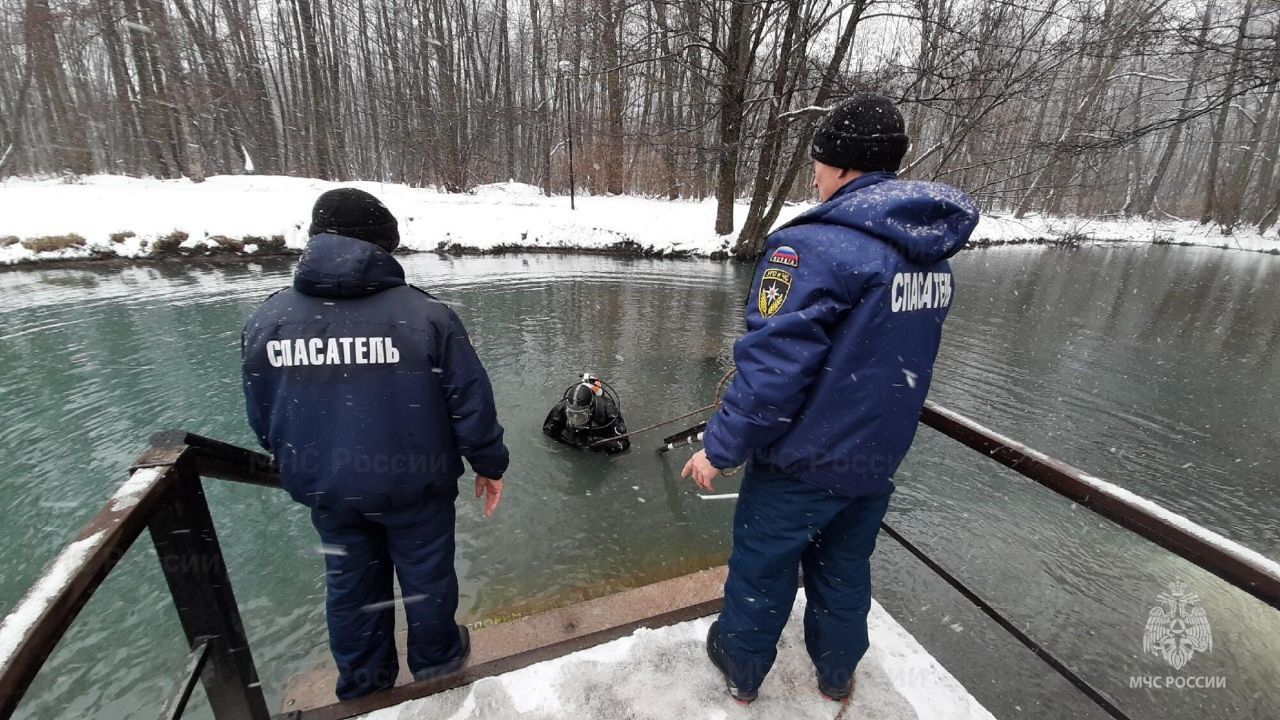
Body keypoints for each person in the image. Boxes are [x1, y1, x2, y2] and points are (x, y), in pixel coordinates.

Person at [682, 94, 979, 704]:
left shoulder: (814, 248)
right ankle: (837, 674)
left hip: (804, 463)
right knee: (843, 573)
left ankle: (741, 671)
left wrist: (720, 448)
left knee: (762, 572)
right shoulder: (928, 256)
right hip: (875, 461)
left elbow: (773, 369)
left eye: (818, 162)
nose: (814, 176)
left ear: (841, 166)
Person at [241, 188, 509, 700]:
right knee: (427, 581)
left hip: (331, 491)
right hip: (415, 487)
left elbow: (263, 415)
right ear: (385, 247)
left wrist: (301, 467)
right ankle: (439, 671)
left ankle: (365, 689)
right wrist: (489, 463)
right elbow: (470, 404)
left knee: (350, 589)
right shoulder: (426, 316)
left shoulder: (268, 320)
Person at [542, 373, 630, 454]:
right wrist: (572, 444)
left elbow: (624, 442)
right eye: (571, 414)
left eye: (581, 415)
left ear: (590, 409)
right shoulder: (561, 407)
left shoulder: (608, 410)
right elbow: (548, 431)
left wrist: (604, 445)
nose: (576, 419)